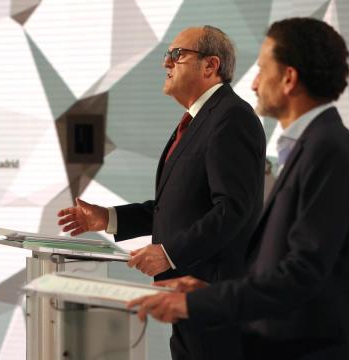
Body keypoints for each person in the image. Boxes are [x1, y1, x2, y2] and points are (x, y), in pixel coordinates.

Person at [127, 17, 349, 360]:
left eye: (263, 70)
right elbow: (284, 260)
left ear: (289, 79)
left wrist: (202, 300)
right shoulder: (316, 145)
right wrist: (207, 289)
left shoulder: (329, 149)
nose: (254, 84)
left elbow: (301, 272)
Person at [57, 26, 266, 360]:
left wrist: (169, 253)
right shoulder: (197, 120)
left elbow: (233, 209)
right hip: (185, 294)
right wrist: (108, 218)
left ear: (210, 66)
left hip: (211, 295)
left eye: (177, 54)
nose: (165, 63)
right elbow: (178, 205)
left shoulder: (231, 117)